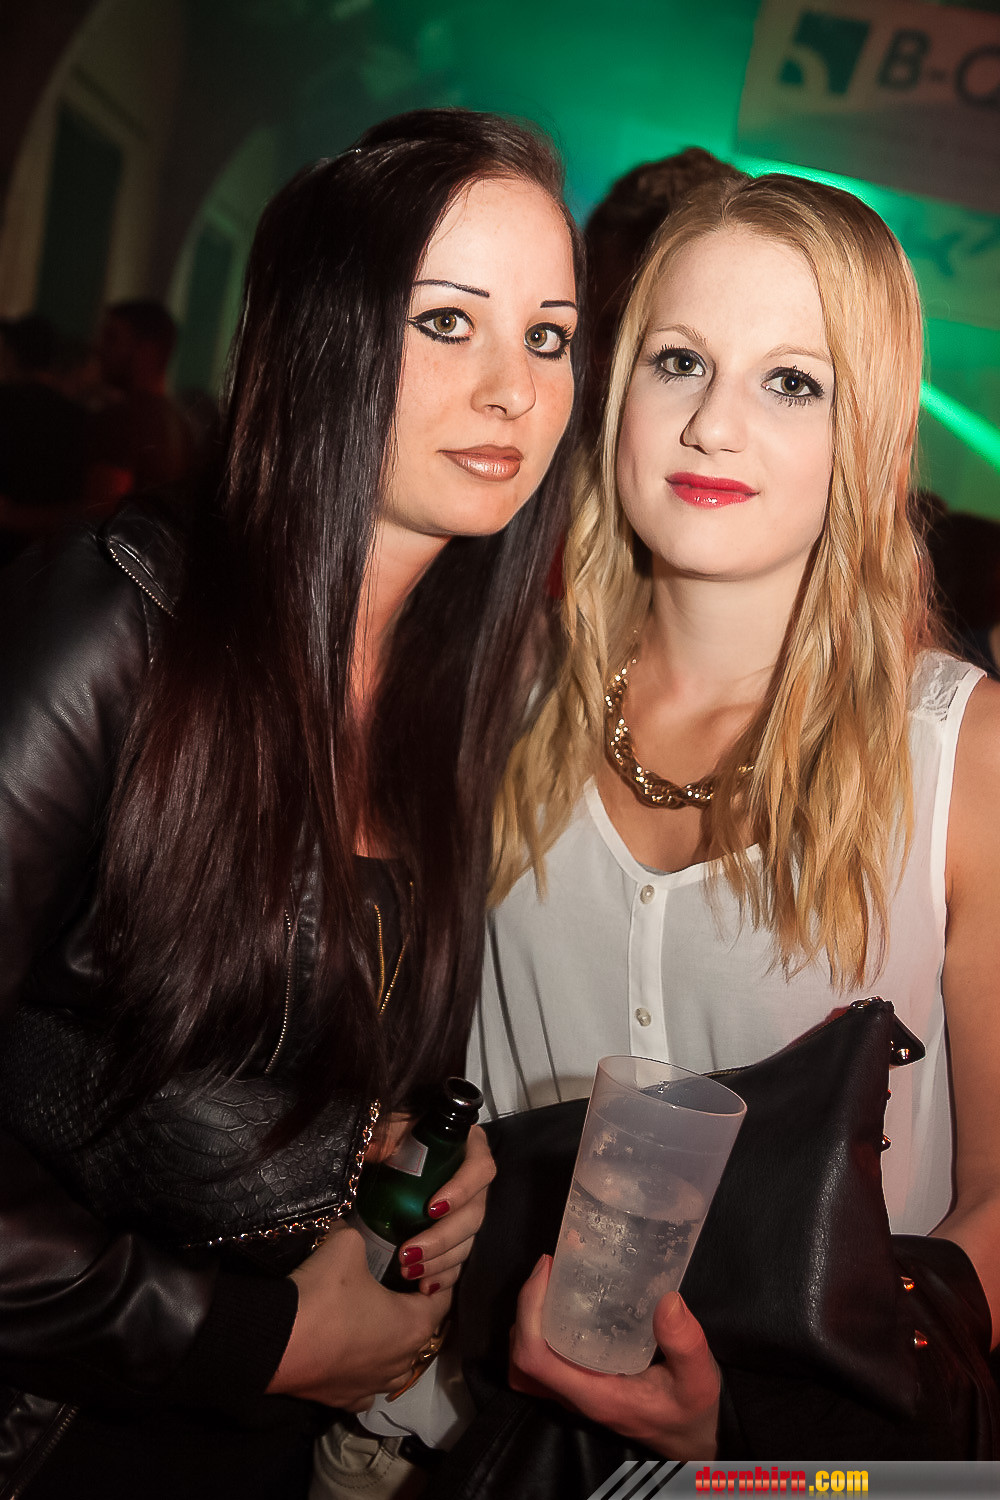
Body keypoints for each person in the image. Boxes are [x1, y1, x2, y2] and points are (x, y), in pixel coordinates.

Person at [0, 107, 581, 1499]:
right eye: (448, 322)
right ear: (322, 334)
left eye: (550, 336)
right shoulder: (123, 616)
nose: (513, 389)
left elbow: (298, 1041)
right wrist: (247, 1337)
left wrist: (404, 1157)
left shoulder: (470, 690)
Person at [473, 172, 1000, 1457]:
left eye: (792, 382)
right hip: (482, 1439)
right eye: (679, 363)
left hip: (820, 1470)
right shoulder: (490, 702)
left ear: (868, 436)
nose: (713, 424)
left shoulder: (962, 756)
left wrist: (765, 1431)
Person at [84, 298, 198, 513]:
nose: (98, 348)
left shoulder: (122, 419)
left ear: (147, 351)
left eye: (112, 338)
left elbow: (100, 513)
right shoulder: (182, 425)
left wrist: (21, 518)